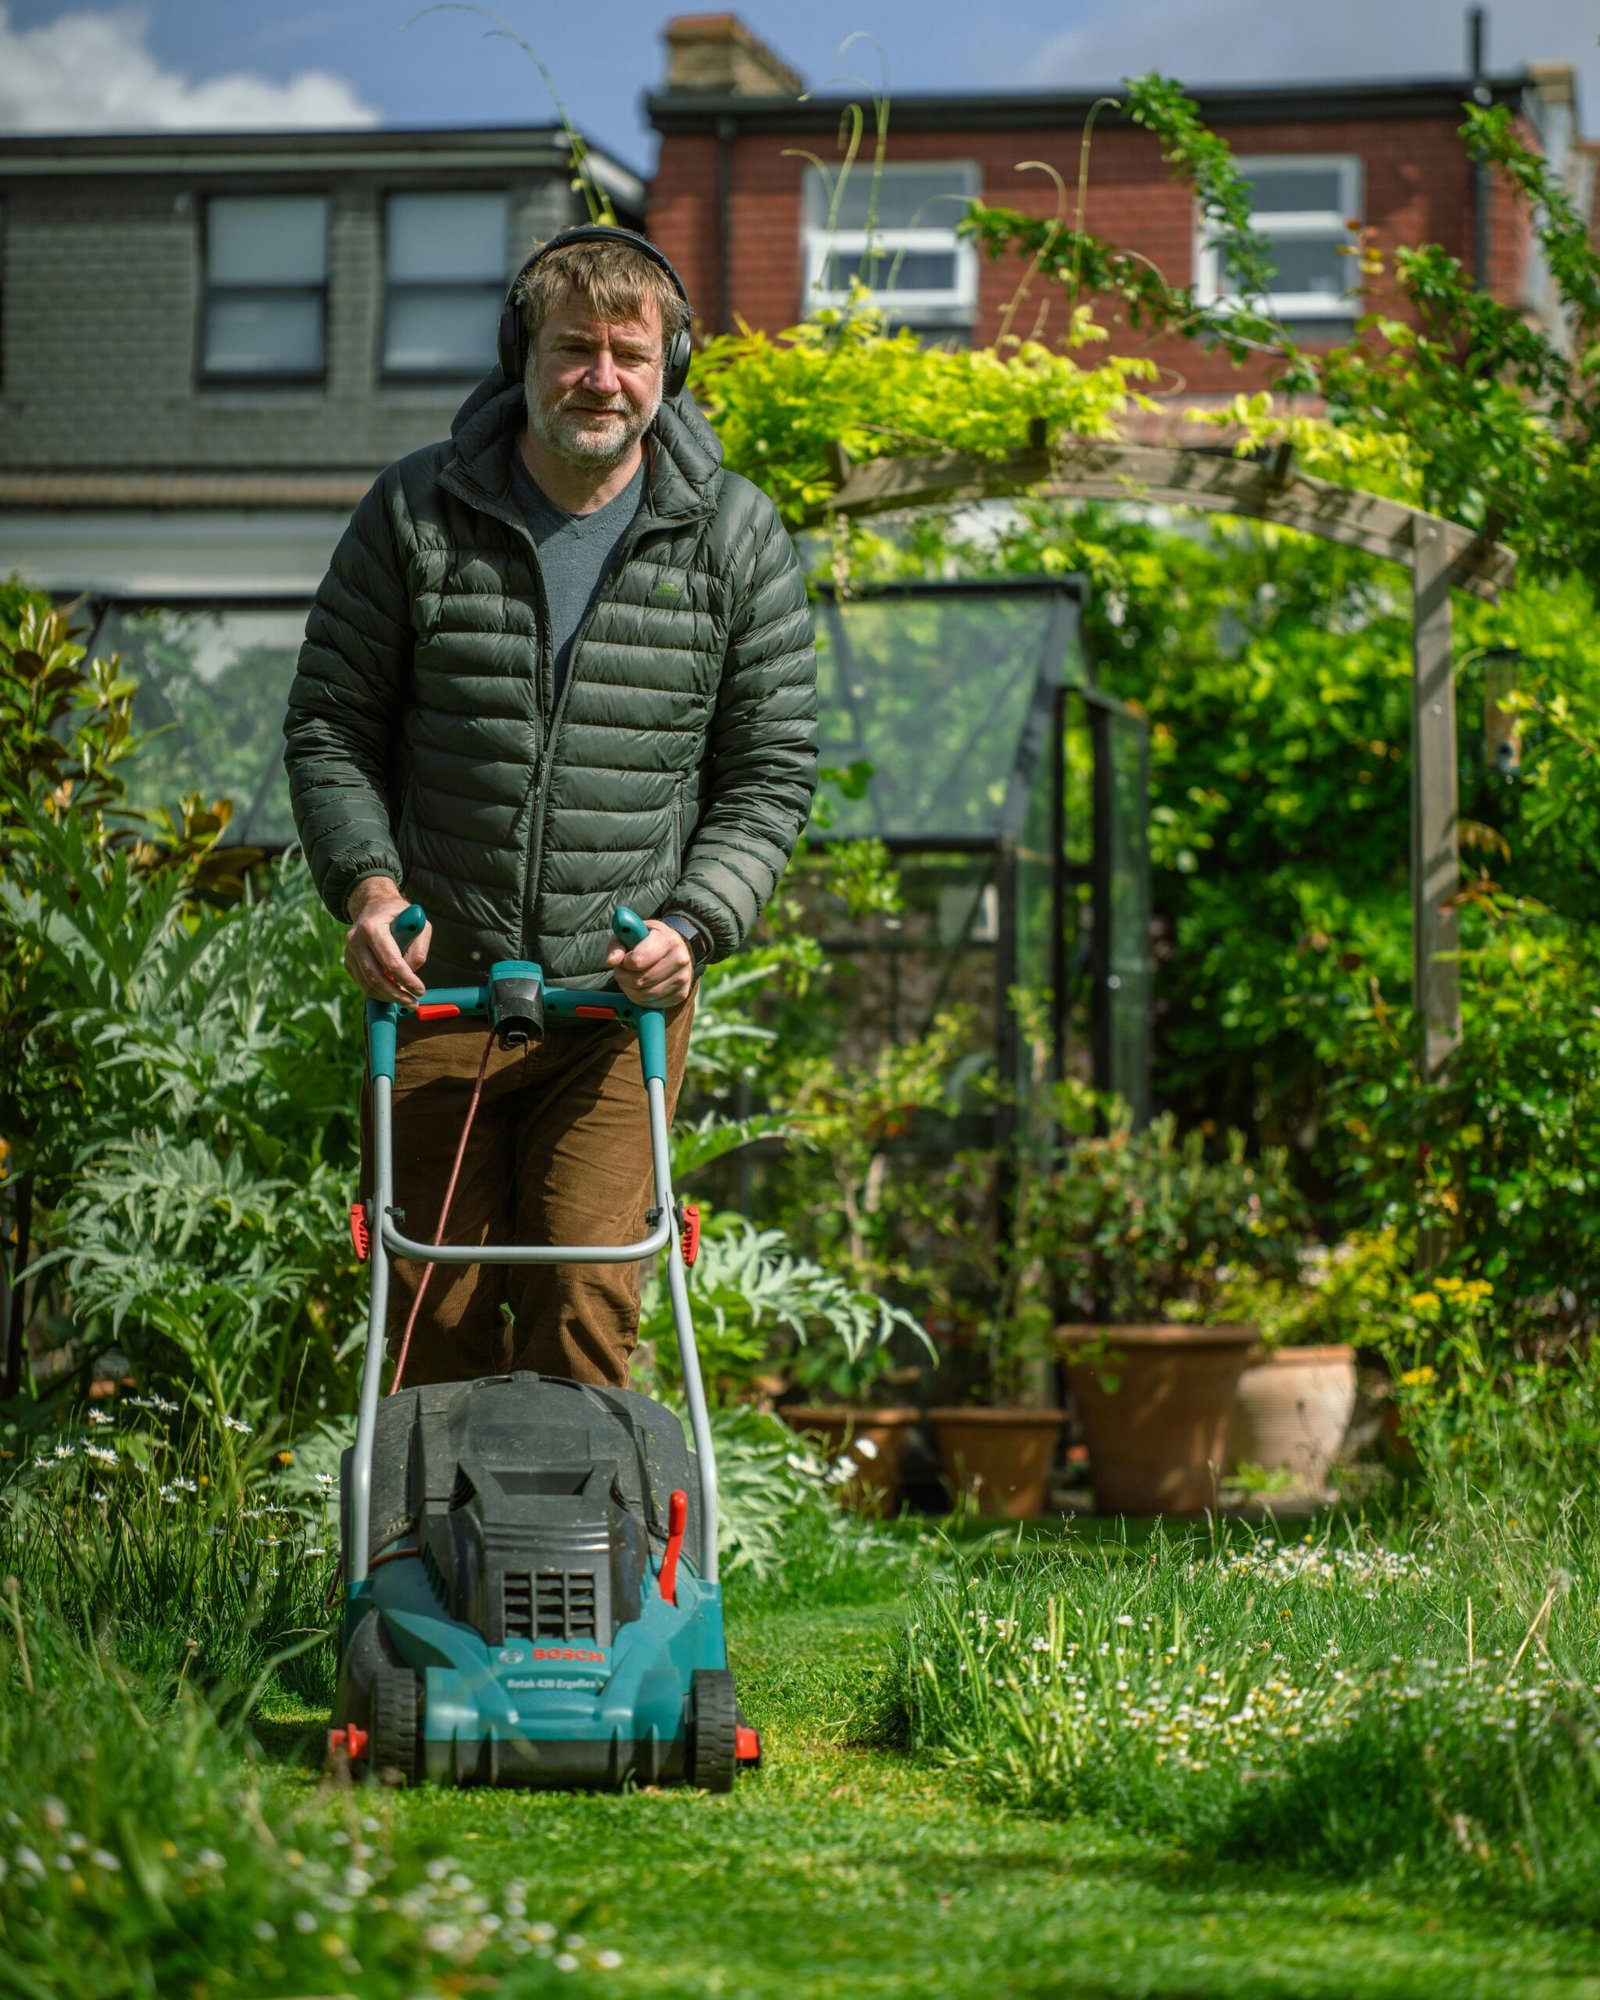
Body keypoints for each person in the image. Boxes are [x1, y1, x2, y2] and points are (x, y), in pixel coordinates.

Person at [283, 225, 817, 1391]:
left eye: (631, 354)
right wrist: (370, 890)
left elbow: (770, 770)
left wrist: (694, 925)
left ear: (671, 367)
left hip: (615, 1003)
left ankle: (589, 1571)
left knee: (586, 1286)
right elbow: (330, 725)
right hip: (437, 990)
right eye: (575, 348)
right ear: (522, 354)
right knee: (435, 1305)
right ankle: (430, 1564)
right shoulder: (416, 511)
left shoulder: (733, 536)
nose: (602, 378)